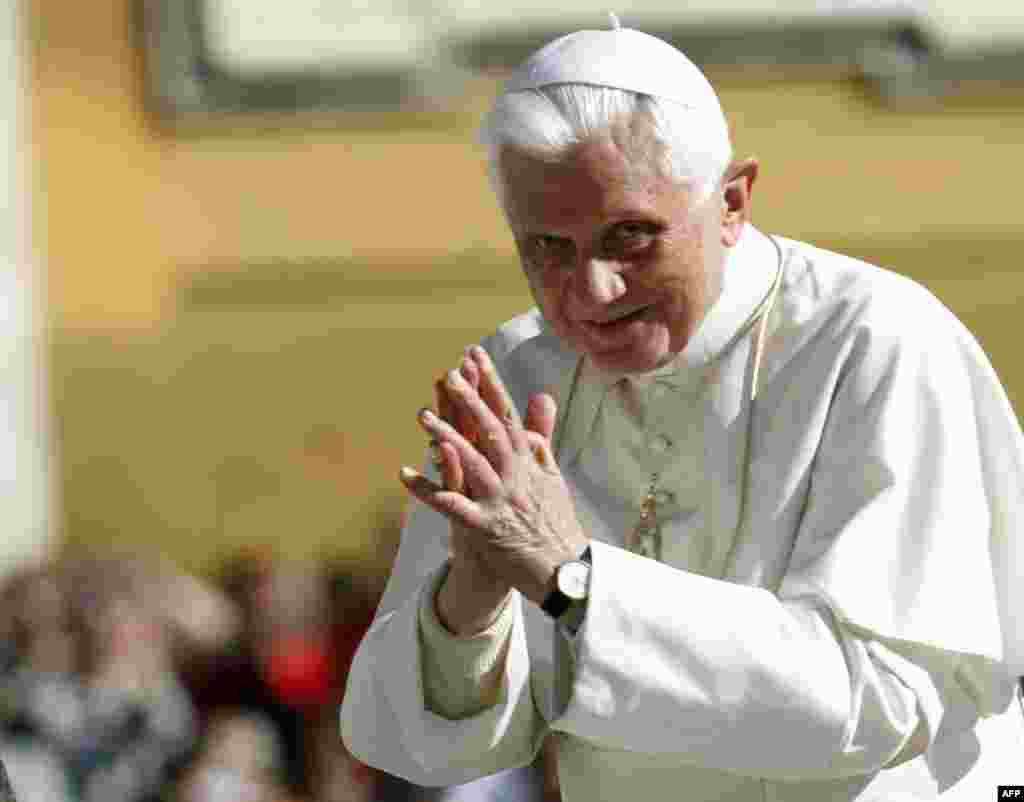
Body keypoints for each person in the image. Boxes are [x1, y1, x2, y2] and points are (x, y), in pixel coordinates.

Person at [340, 19, 1024, 801]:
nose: (591, 292)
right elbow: (418, 745)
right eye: (548, 249)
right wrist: (471, 597)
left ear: (732, 202)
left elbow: (888, 695)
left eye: (630, 237)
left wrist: (575, 582)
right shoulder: (519, 374)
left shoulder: (879, 341)